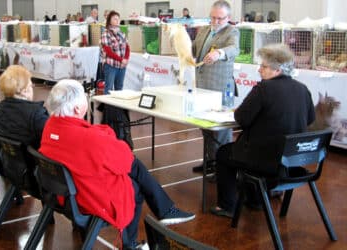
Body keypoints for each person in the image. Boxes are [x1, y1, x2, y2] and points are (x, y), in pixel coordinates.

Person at [39, 80, 195, 249]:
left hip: (63, 194)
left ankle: (160, 214)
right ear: (77, 108)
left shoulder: (51, 126)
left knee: (133, 174)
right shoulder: (88, 139)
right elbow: (125, 159)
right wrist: (106, 134)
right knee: (134, 183)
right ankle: (141, 234)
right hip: (86, 200)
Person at [211, 44, 315, 218]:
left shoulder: (263, 89)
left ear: (278, 69)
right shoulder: (302, 88)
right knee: (250, 150)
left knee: (223, 153)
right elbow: (310, 119)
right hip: (293, 157)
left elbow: (242, 119)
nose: (259, 70)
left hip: (266, 157)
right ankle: (254, 199)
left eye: (264, 66)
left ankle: (227, 206)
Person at [192, 0, 240, 168]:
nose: (216, 22)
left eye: (220, 18)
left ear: (228, 17)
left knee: (221, 130)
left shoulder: (232, 32)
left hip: (220, 88)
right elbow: (193, 50)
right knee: (205, 128)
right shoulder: (204, 30)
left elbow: (234, 49)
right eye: (213, 17)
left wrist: (219, 53)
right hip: (202, 86)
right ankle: (209, 162)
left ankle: (223, 167)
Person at [0, 65, 49, 149]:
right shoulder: (37, 115)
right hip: (31, 160)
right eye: (30, 85)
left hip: (7, 158)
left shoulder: (0, 108)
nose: (32, 87)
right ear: (24, 91)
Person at [100, 10, 130, 94]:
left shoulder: (122, 33)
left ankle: (117, 107)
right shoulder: (106, 34)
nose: (117, 21)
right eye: (115, 19)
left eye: (118, 19)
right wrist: (121, 60)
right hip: (110, 65)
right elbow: (108, 51)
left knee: (119, 88)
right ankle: (107, 107)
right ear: (109, 20)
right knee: (109, 88)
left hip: (122, 66)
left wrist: (126, 59)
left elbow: (127, 47)